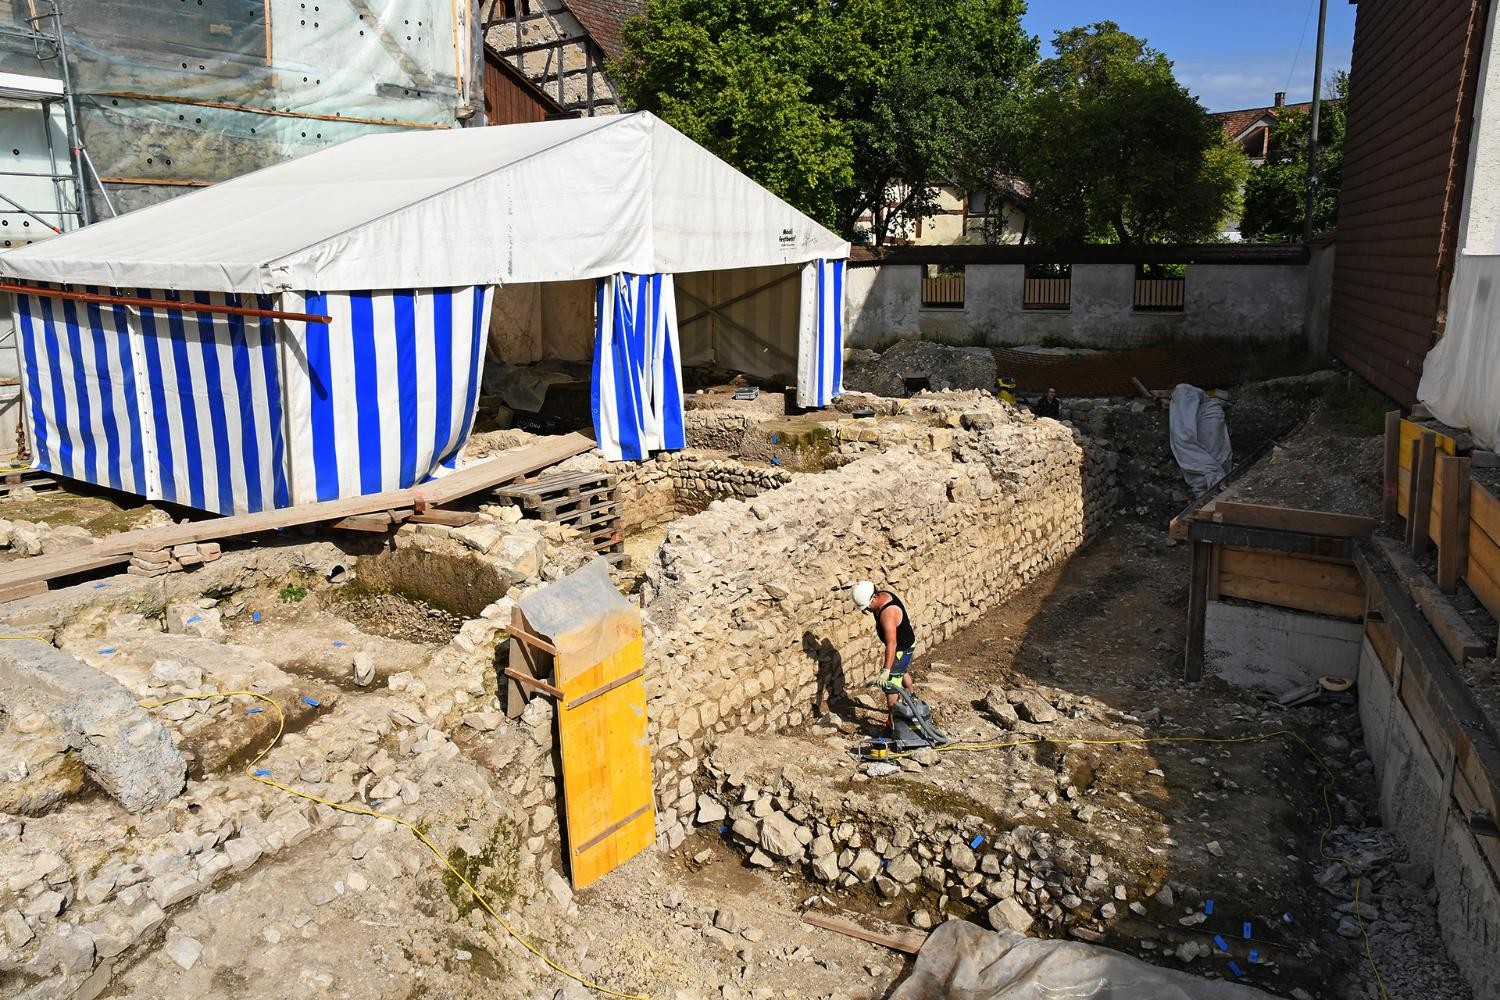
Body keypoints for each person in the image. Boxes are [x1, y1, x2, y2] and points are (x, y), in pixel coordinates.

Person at [851, 580, 918, 730]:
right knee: (901, 671)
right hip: (905, 644)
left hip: (901, 648)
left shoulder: (888, 613)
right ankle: (912, 700)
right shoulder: (882, 597)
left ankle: (893, 724)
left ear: (873, 598)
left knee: (891, 685)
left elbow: (892, 644)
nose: (867, 610)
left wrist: (886, 671)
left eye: (867, 607)